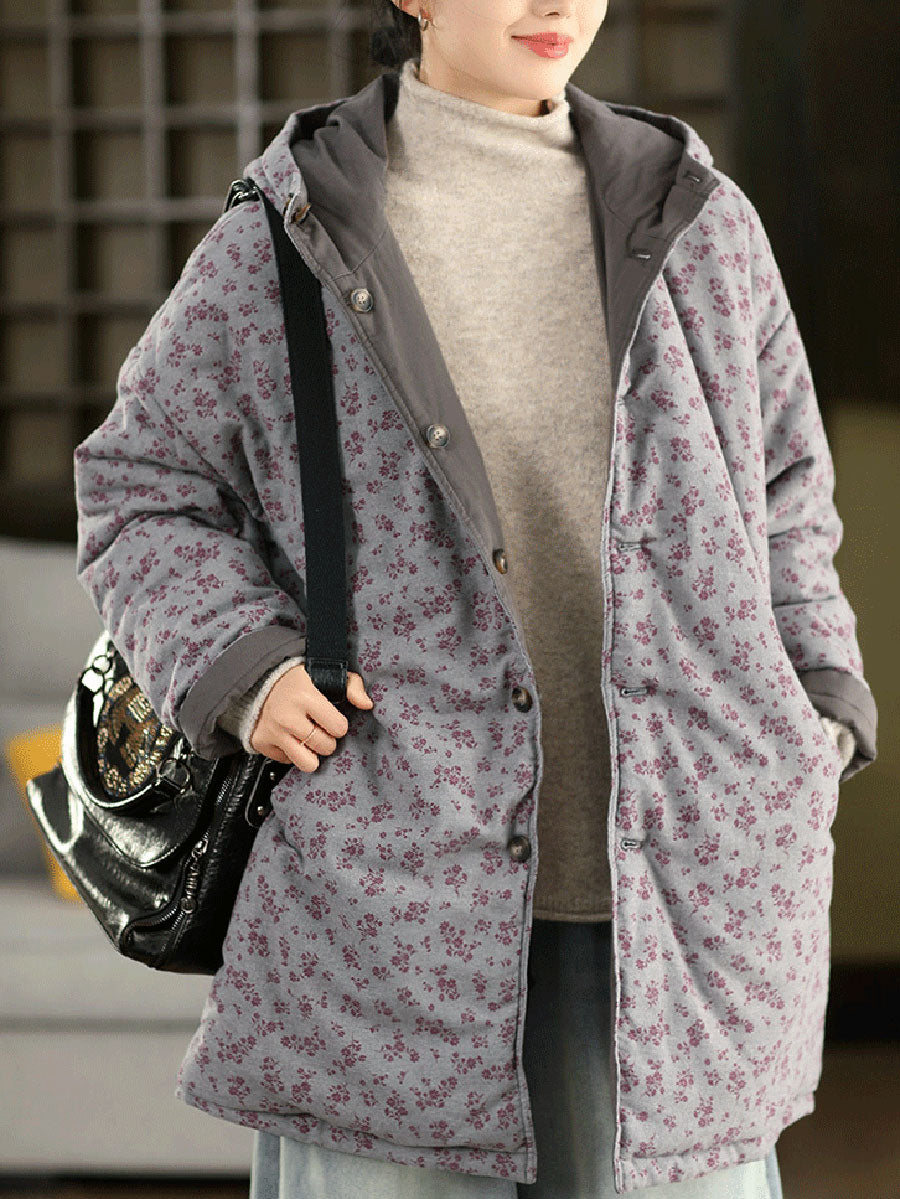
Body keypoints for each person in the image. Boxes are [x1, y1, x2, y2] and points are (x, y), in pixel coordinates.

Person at [73, 1, 878, 1196]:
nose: (555, 3)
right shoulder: (292, 229)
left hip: (689, 889)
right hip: (393, 903)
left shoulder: (700, 219)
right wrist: (243, 664)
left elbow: (787, 489)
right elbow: (141, 481)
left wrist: (818, 703)